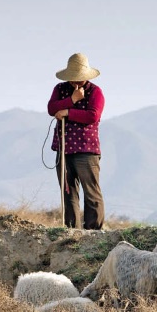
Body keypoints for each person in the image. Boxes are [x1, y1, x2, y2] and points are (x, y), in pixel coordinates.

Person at [48, 53, 105, 230]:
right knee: (68, 192)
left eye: (79, 79)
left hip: (86, 150)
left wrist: (67, 112)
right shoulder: (60, 89)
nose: (76, 83)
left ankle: (93, 231)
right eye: (73, 80)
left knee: (91, 193)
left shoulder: (95, 92)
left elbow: (93, 116)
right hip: (64, 148)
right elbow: (51, 108)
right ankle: (71, 231)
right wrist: (72, 100)